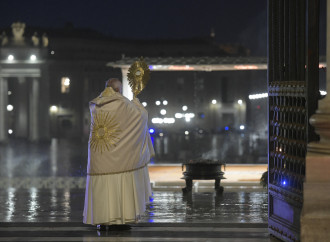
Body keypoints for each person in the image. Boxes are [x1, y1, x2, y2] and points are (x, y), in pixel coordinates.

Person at [83, 78, 154, 230]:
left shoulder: (95, 105)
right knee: (119, 187)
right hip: (120, 158)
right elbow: (140, 117)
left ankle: (101, 221)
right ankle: (118, 221)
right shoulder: (122, 103)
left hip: (99, 157)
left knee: (102, 189)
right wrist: (137, 103)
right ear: (118, 90)